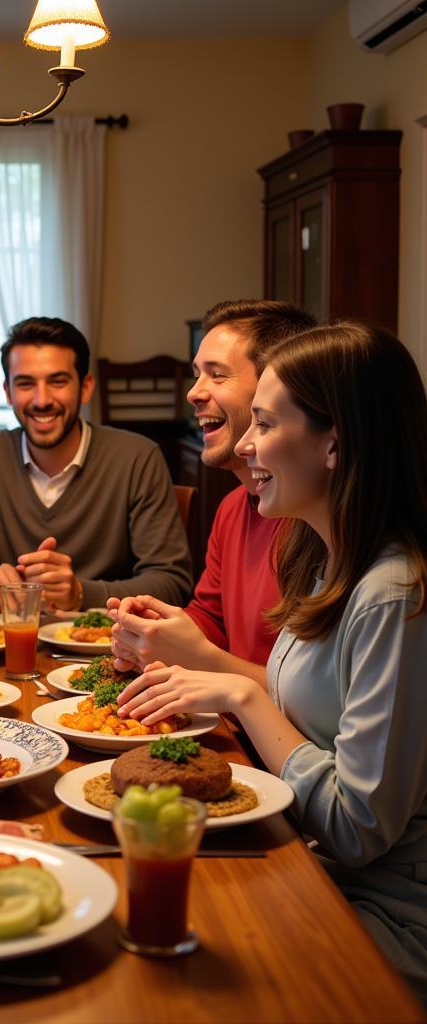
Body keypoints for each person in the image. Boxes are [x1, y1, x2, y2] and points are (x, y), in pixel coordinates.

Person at [117, 321, 427, 1000]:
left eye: (265, 422)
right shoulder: (322, 560)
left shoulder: (392, 595)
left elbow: (358, 829)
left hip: (388, 910)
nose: (248, 445)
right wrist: (204, 677)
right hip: (311, 862)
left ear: (334, 444)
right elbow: (314, 713)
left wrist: (241, 697)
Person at [109, 300, 315, 678]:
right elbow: (211, 619)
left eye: (217, 375)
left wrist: (201, 658)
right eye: (197, 374)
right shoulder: (234, 505)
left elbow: (310, 700)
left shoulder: (317, 523)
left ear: (275, 387)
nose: (193, 393)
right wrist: (159, 629)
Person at [0, 316, 191, 613]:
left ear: (85, 388)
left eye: (57, 381)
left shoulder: (139, 457)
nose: (41, 400)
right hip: (9, 645)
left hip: (108, 651)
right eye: (25, 384)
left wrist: (82, 593)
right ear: (8, 392)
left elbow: (171, 582)